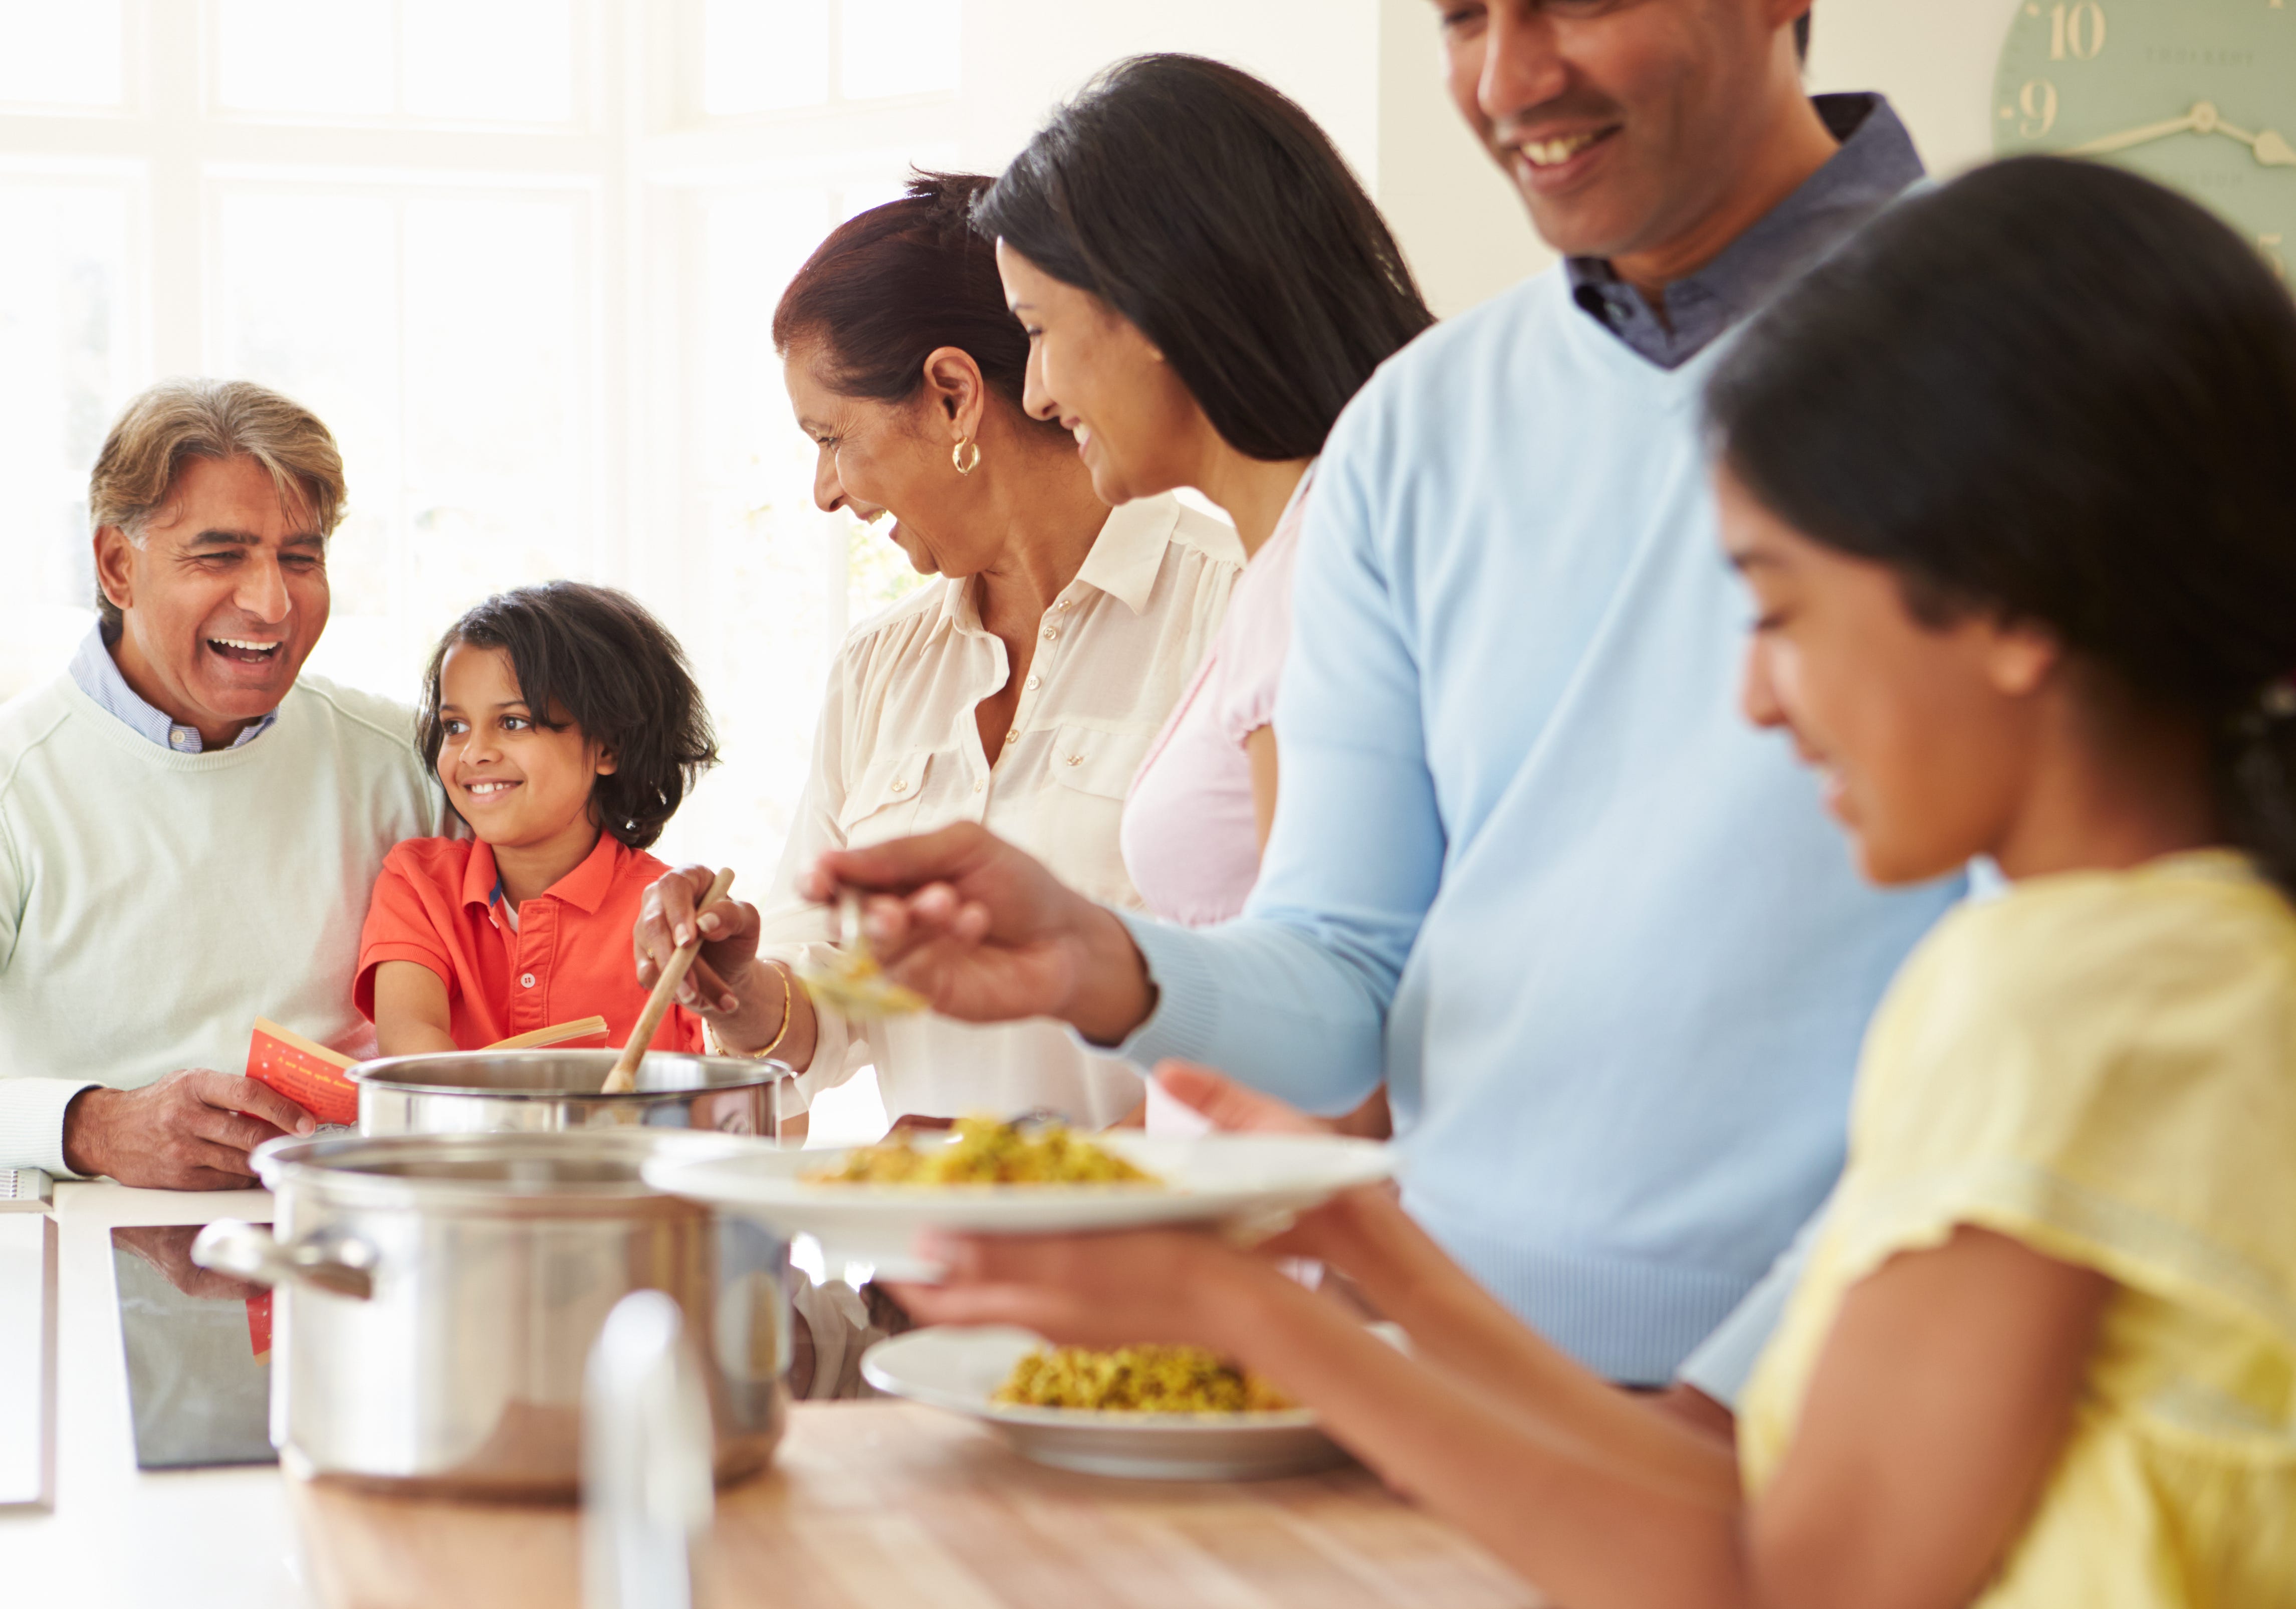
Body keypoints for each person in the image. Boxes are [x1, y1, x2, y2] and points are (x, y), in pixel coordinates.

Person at [902, 158, 2296, 1609]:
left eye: (1776, 608)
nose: (1757, 699)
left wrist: (1253, 1312)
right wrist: (1371, 1255)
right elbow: (1758, 1504)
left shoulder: (2069, 998)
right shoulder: (2183, 960)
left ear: (2012, 605)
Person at [766, 2, 1963, 1396]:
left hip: (1850, 1393)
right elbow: (1342, 975)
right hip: (1460, 1384)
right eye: (1461, 18)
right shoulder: (1420, 423)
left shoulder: (2030, 351)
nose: (1510, 78)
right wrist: (1105, 960)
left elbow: (2079, 970)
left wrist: (1731, 1389)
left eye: (1574, 4)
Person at [634, 172, 1245, 1135]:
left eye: (832, 437)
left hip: (1166, 1262)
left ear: (954, 395)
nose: (823, 491)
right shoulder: (882, 668)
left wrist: (1026, 1183)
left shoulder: (1232, 610)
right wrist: (739, 986)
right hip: (930, 1272)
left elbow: (1290, 1012)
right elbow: (832, 1001)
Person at [977, 53, 1433, 1131]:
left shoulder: (1325, 565)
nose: (1036, 393)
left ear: (1146, 304)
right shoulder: (1283, 563)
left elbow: (1341, 1071)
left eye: (1037, 331)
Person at [0, 379, 445, 1188]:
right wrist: (91, 1127)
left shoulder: (408, 763)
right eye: (221, 555)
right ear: (116, 565)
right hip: (89, 1256)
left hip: (353, 1243)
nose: (272, 602)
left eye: (300, 558)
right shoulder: (15, 780)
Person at [358, 583, 718, 1055]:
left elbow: (763, 1100)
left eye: (513, 722)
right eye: (455, 726)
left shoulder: (671, 917)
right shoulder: (418, 884)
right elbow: (414, 1055)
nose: (475, 752)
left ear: (608, 746)